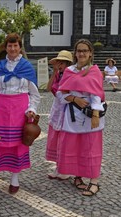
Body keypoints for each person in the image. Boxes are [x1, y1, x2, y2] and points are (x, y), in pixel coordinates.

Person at [0, 33, 40, 195]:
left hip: (20, 112)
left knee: (17, 145)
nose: (12, 49)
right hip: (0, 111)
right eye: (10, 46)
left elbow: (34, 94)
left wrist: (32, 108)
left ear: (19, 48)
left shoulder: (26, 67)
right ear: (6, 48)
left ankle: (14, 179)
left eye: (15, 46)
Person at [56, 39, 105, 196]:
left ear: (90, 53)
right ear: (75, 53)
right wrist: (74, 99)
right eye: (79, 51)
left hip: (90, 114)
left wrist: (96, 114)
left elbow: (96, 94)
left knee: (91, 147)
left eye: (85, 50)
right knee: (75, 147)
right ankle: (78, 176)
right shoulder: (69, 71)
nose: (82, 53)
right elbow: (60, 93)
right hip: (72, 115)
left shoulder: (94, 71)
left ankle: (94, 182)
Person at [45, 50, 73, 180]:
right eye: (58, 62)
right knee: (56, 138)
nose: (60, 65)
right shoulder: (58, 75)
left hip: (67, 107)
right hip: (57, 107)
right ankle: (58, 167)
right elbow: (48, 88)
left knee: (65, 138)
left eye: (62, 63)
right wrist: (54, 72)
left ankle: (66, 169)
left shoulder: (72, 75)